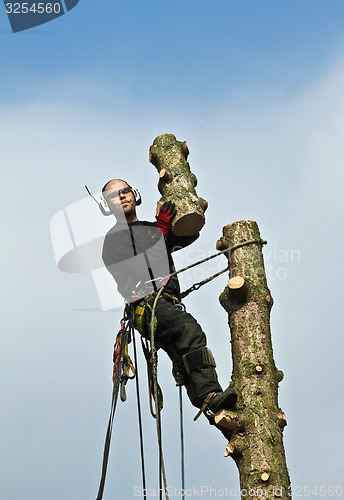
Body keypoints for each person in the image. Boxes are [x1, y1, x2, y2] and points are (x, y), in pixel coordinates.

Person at [101, 178, 237, 436]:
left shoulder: (153, 230)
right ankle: (211, 393)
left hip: (166, 302)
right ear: (107, 206)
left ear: (135, 194)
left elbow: (188, 234)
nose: (121, 196)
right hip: (145, 303)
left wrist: (186, 212)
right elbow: (140, 258)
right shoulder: (113, 240)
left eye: (125, 191)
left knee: (183, 355)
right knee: (190, 330)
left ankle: (213, 408)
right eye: (113, 196)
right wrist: (160, 232)